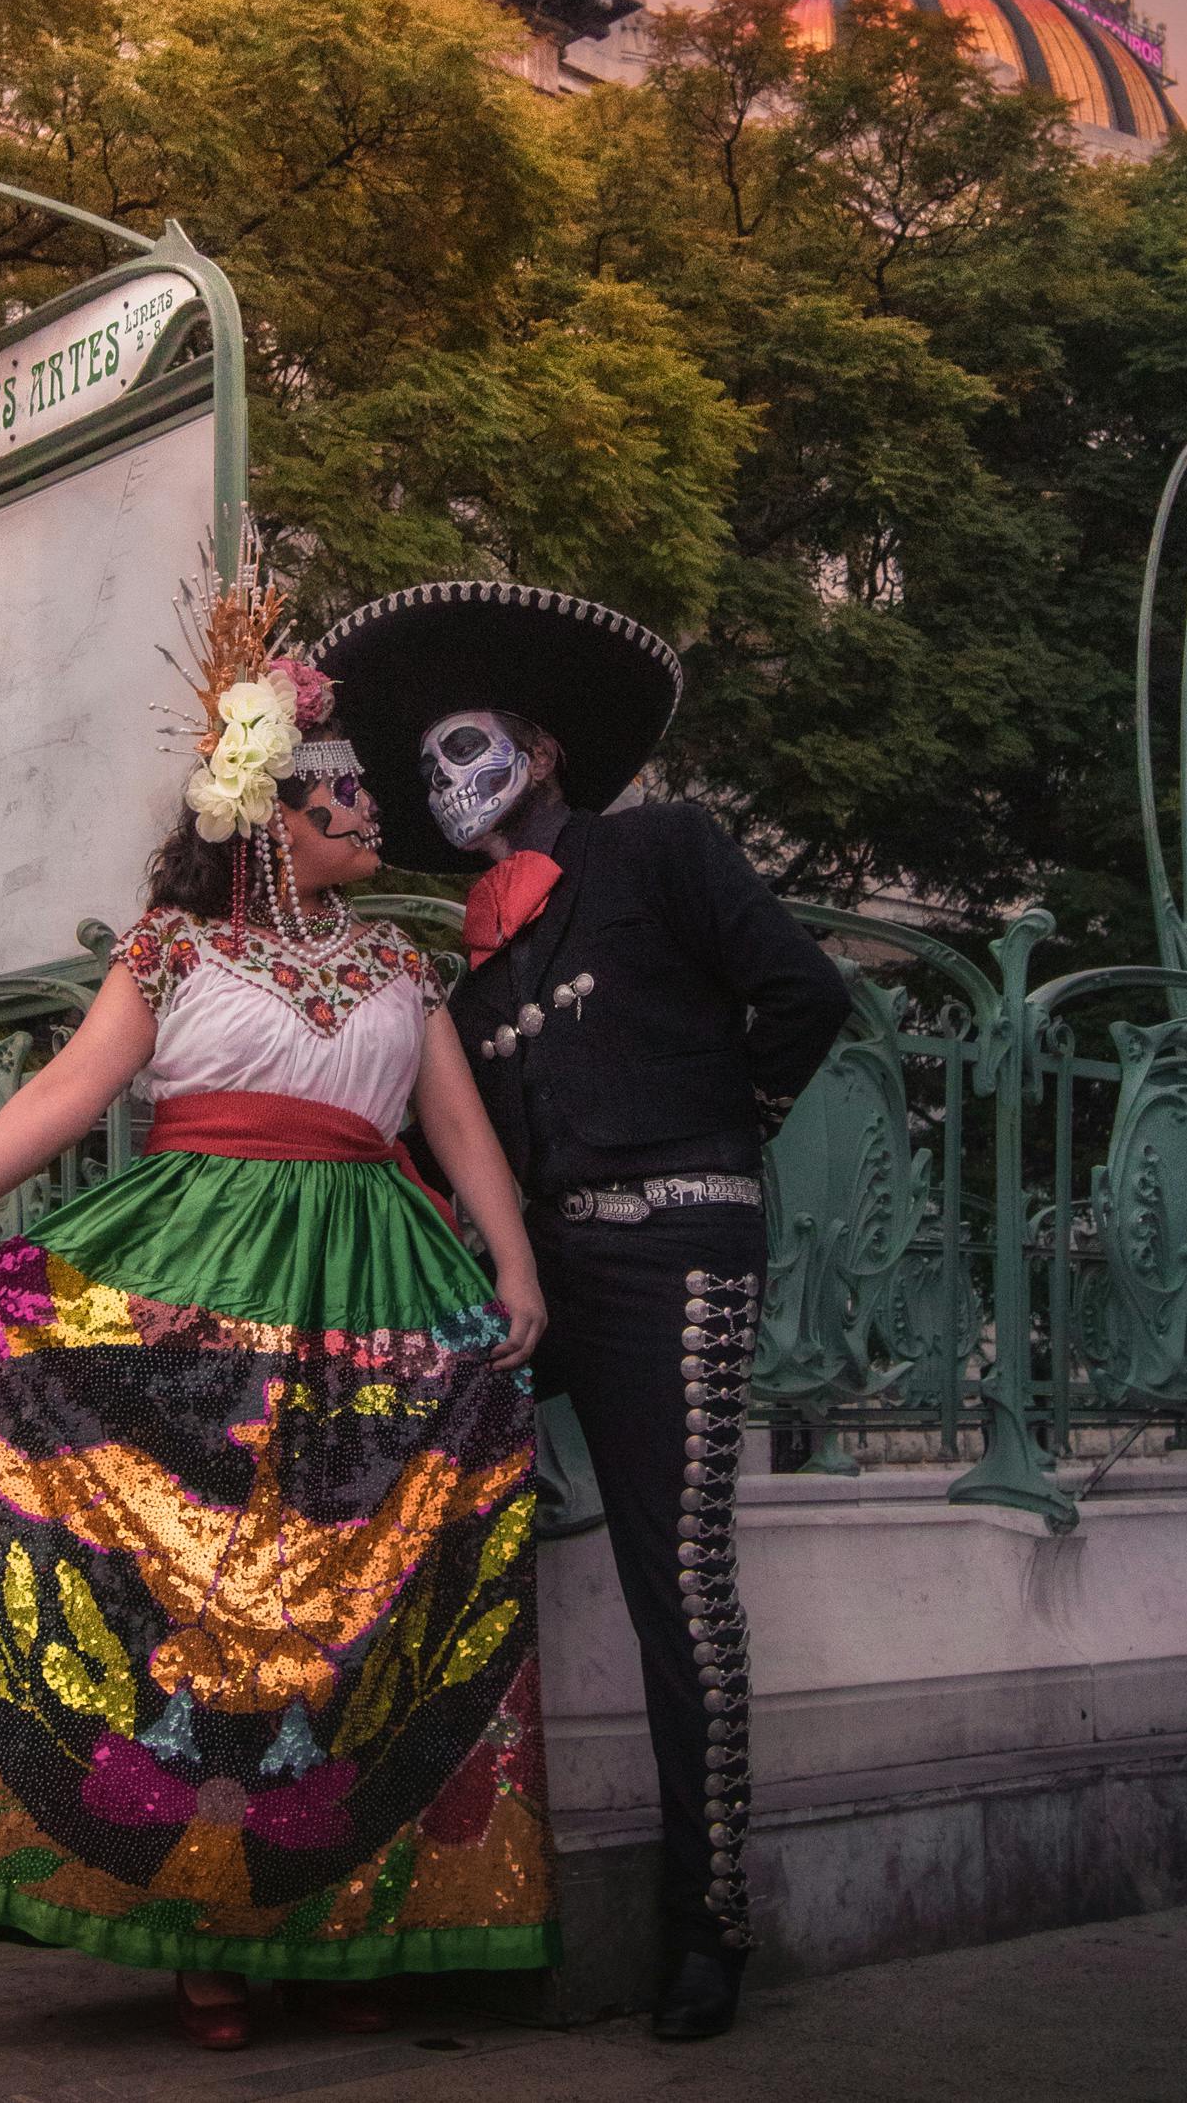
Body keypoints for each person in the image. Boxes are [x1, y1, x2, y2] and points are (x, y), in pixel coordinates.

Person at [0, 559, 555, 2052]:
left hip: (374, 1280)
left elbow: (463, 1131)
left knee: (358, 1593)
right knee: (198, 1600)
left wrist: (514, 1263)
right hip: (189, 1273)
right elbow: (70, 1087)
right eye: (340, 797)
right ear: (271, 820)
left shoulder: (399, 964)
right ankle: (195, 1920)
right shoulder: (173, 950)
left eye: (364, 797)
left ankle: (335, 1909)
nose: (370, 813)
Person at [319, 581, 851, 2043]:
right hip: (536, 1292)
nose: (445, 779)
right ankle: (390, 1901)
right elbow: (443, 1147)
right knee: (390, 1511)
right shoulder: (469, 960)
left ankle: (708, 1925)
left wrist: (715, 1137)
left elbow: (803, 996)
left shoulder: (661, 848)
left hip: (679, 1257)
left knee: (679, 1581)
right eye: (424, 767)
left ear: (541, 749)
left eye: (467, 748)